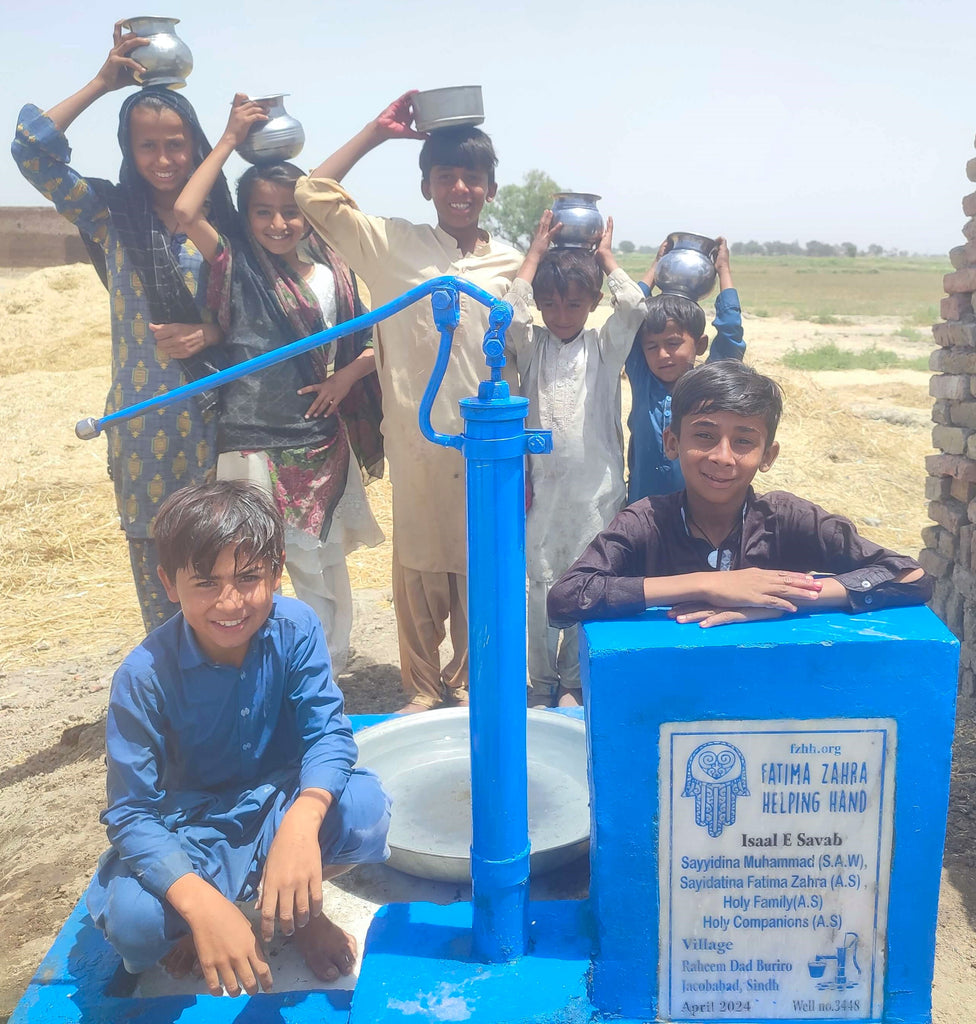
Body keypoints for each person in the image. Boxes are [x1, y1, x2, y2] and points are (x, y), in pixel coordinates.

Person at [84, 480, 391, 996]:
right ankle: (213, 915)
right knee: (136, 922)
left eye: (248, 577)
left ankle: (297, 914)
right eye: (205, 582)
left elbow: (330, 737)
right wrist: (201, 907)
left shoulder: (297, 628)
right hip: (192, 829)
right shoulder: (143, 677)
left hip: (278, 801)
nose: (230, 602)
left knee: (365, 811)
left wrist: (300, 823)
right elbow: (131, 814)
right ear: (168, 582)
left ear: (275, 573)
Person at [294, 91, 522, 712]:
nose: (460, 188)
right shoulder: (392, 246)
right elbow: (311, 193)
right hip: (419, 444)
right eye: (445, 175)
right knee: (421, 560)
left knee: (483, 560)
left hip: (487, 447)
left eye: (472, 178)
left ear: (491, 189)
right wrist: (375, 132)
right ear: (425, 186)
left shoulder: (509, 263)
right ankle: (422, 687)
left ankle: (475, 681)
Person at [11, 23, 238, 631]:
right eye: (147, 146)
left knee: (230, 564)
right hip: (141, 425)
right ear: (127, 150)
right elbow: (30, 150)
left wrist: (212, 335)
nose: (163, 160)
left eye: (176, 144)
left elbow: (264, 316)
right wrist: (103, 82)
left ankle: (232, 690)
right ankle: (174, 690)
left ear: (197, 145)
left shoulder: (224, 220)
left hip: (221, 420)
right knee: (157, 560)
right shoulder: (110, 214)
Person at [172, 95, 384, 675]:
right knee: (247, 563)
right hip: (250, 442)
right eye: (262, 212)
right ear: (246, 218)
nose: (278, 223)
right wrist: (227, 140)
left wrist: (345, 377)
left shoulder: (335, 271)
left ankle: (325, 669)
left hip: (319, 441)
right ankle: (257, 669)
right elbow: (188, 212)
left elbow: (372, 341)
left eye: (291, 211)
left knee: (321, 562)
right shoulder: (234, 263)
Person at [548, 361, 931, 629]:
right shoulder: (645, 521)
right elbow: (566, 598)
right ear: (672, 443)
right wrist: (707, 584)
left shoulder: (787, 518)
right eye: (704, 435)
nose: (723, 457)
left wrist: (781, 598)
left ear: (767, 456)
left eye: (744, 441)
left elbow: (911, 575)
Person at [506, 212, 646, 707]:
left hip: (596, 491)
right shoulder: (531, 347)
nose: (561, 313)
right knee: (539, 585)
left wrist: (605, 257)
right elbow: (507, 317)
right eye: (550, 304)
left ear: (591, 304)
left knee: (587, 581)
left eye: (573, 303)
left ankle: (573, 680)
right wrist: (534, 256)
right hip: (542, 491)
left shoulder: (604, 348)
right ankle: (542, 684)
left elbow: (632, 305)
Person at [625, 237, 745, 503]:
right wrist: (657, 267)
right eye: (652, 346)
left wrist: (723, 270)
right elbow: (628, 316)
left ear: (700, 344)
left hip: (697, 516)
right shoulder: (642, 377)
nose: (662, 355)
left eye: (673, 343)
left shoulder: (709, 385)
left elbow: (730, 333)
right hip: (640, 511)